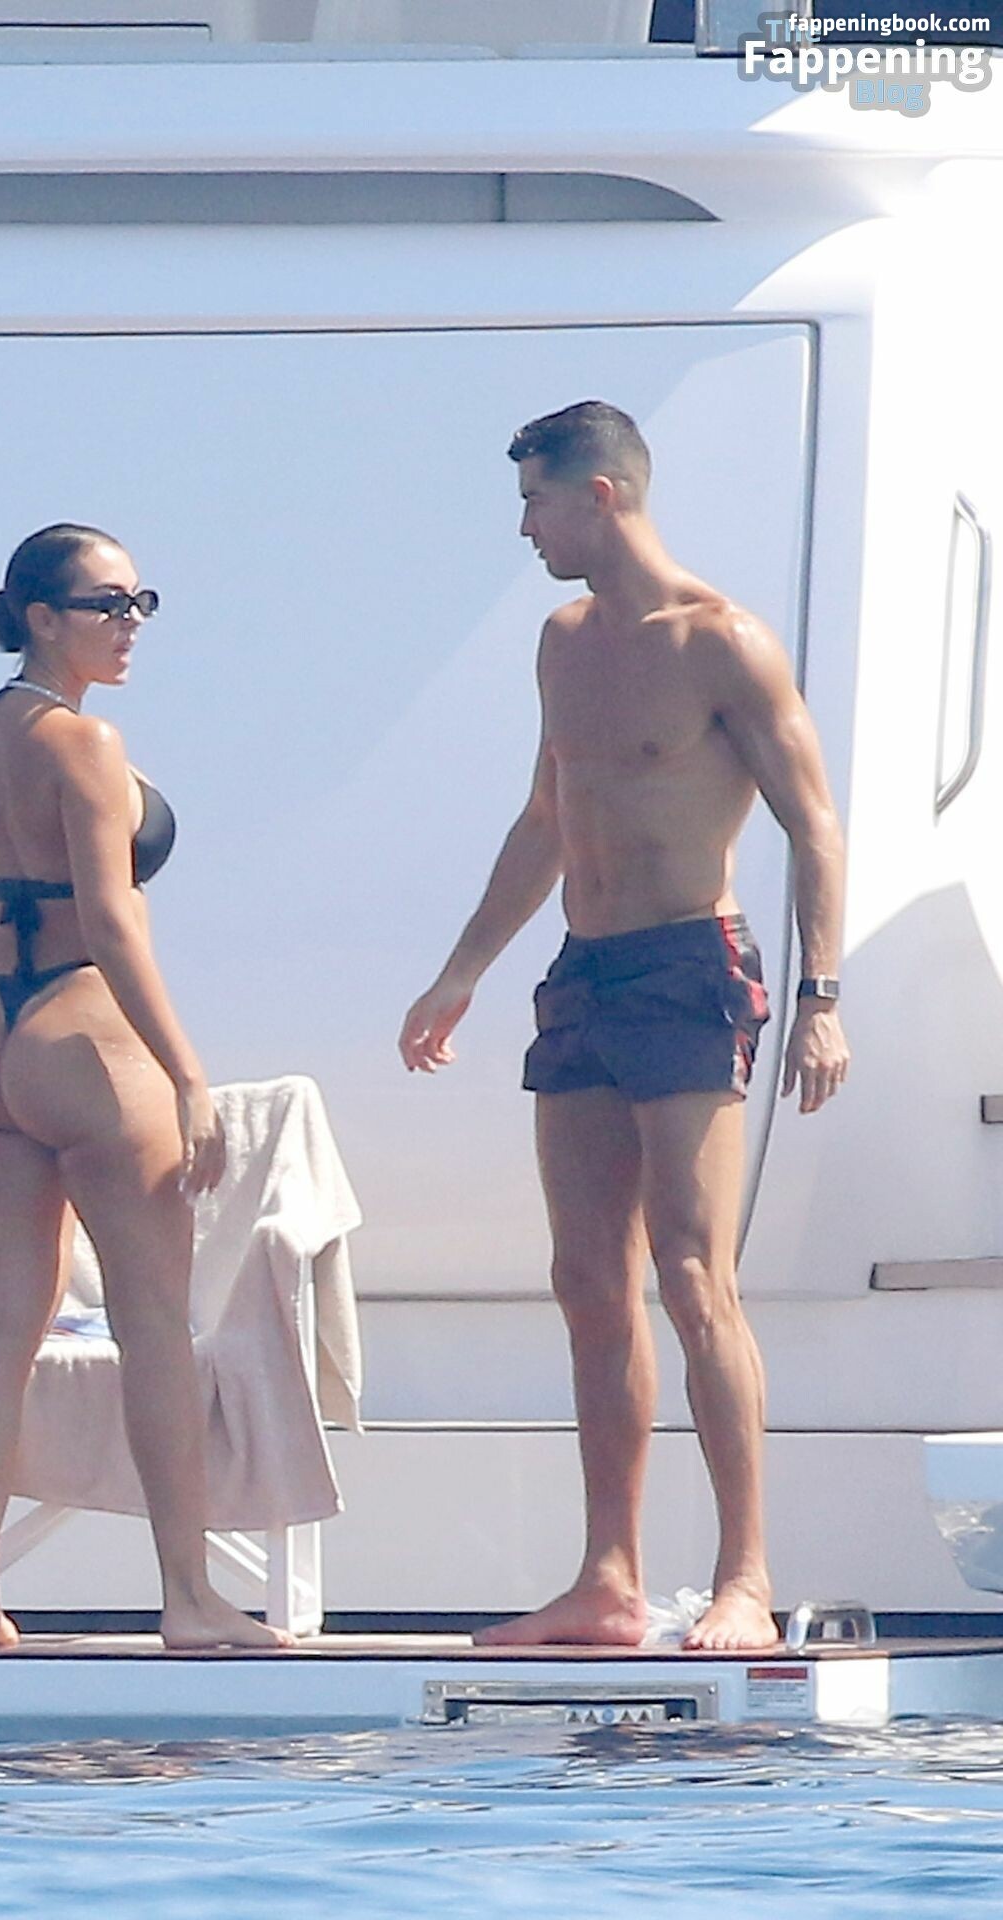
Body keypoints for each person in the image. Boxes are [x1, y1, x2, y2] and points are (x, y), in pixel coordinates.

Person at [398, 403, 849, 1653]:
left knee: (692, 1275)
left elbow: (813, 824)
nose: (525, 531)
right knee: (586, 1280)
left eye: (535, 503)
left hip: (688, 967)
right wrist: (461, 971)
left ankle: (743, 1578)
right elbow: (547, 817)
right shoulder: (562, 641)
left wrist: (819, 1000)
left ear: (598, 495)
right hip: (583, 973)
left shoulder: (721, 641)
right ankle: (606, 1579)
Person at [0, 522, 291, 1652]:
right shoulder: (85, 743)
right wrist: (186, 1074)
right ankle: (189, 1598)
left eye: (141, 601)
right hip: (85, 1037)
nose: (130, 622)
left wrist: (22, 1022)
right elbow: (111, 921)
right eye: (106, 604)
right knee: (153, 1327)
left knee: (4, 1327)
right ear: (42, 617)